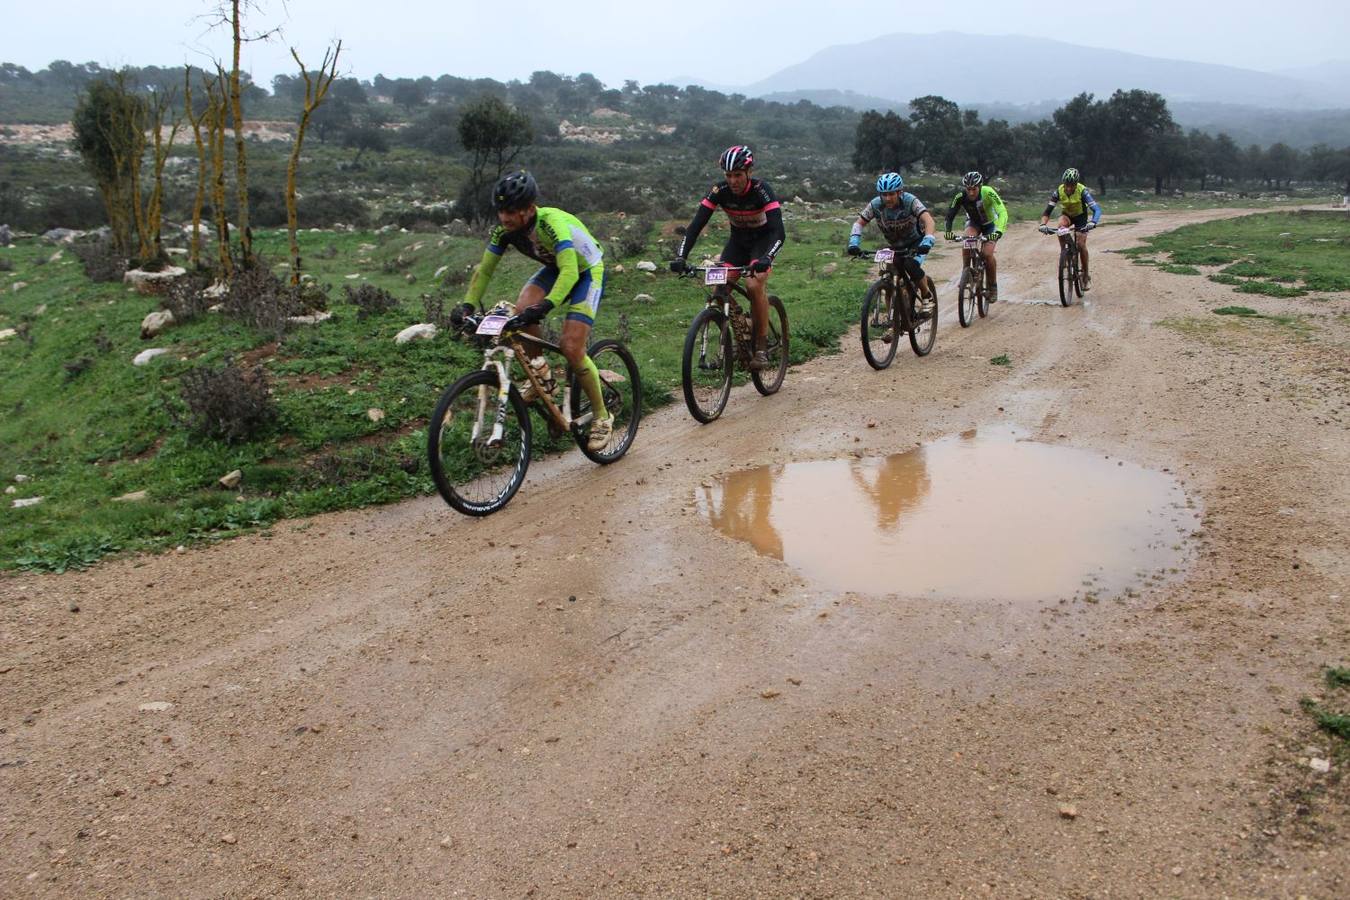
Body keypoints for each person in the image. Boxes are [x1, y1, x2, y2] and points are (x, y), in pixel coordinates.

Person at [462, 170, 613, 450]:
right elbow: (484, 271)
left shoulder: (551, 223)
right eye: (500, 211)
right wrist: (466, 306)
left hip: (586, 270)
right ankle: (542, 374)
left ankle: (602, 416)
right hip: (555, 268)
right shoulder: (503, 232)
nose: (504, 217)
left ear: (528, 209)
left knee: (571, 347)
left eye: (511, 211)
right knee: (521, 311)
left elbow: (570, 269)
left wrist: (546, 305)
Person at [670, 145, 785, 371]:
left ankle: (761, 349)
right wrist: (681, 256)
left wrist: (768, 257)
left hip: (762, 244)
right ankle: (735, 337)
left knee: (753, 284)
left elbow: (778, 232)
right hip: (737, 244)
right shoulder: (719, 191)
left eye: (738, 175)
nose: (733, 181)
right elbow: (694, 228)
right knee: (718, 287)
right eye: (729, 176)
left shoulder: (762, 190)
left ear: (749, 173)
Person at [847, 172, 937, 317]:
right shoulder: (875, 204)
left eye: (891, 194)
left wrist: (928, 241)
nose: (887, 198)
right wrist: (854, 243)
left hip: (916, 242)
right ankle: (892, 320)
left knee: (910, 265)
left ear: (900, 192)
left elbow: (929, 221)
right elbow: (859, 223)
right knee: (888, 273)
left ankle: (927, 296)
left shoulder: (910, 201)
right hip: (895, 245)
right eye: (884, 194)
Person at [943, 171, 1009, 303]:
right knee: (967, 240)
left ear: (980, 186)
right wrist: (948, 231)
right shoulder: (960, 196)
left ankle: (993, 286)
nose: (971, 193)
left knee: (987, 254)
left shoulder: (988, 192)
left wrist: (999, 231)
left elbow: (1002, 212)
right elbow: (949, 216)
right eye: (968, 189)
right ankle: (966, 273)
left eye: (974, 189)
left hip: (991, 225)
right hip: (974, 223)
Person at [1039, 167, 1102, 288]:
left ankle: (1085, 274)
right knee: (1060, 227)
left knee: (1081, 244)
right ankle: (1065, 253)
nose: (1068, 188)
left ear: (1076, 183)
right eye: (1067, 185)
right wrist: (1043, 224)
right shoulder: (1058, 191)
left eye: (1072, 185)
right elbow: (1047, 212)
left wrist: (1093, 222)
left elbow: (1096, 209)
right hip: (1067, 216)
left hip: (1080, 217)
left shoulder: (1082, 191)